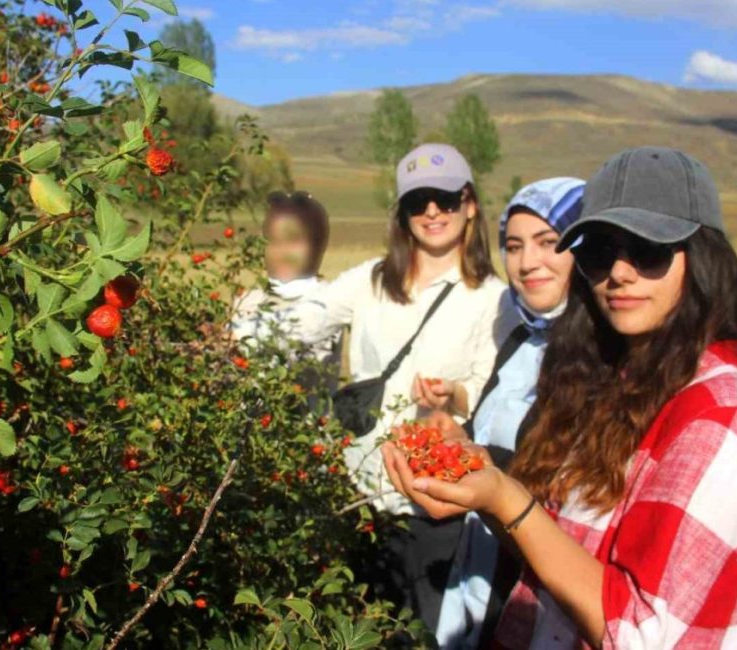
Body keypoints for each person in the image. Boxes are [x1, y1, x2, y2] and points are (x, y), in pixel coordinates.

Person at [383, 147, 737, 648]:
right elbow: (561, 559)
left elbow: (639, 635)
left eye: (648, 249)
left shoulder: (719, 417)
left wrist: (507, 498)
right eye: (599, 252)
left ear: (704, 259)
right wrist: (484, 486)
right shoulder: (619, 382)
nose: (619, 272)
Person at [264, 143, 513, 631]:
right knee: (350, 629)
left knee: (420, 634)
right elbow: (304, 325)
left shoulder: (493, 300)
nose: (433, 212)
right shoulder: (372, 280)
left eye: (445, 198)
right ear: (403, 212)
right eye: (418, 201)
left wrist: (454, 395)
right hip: (357, 492)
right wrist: (249, 320)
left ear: (470, 203)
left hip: (433, 504)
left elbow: (492, 390)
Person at [434, 177, 586, 649]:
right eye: (515, 246)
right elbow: (490, 435)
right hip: (481, 557)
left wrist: (480, 466)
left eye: (550, 243)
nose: (527, 263)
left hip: (538, 585)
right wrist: (451, 439)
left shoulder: (599, 359)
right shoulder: (520, 339)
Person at [230, 191, 341, 398]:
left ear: (318, 245)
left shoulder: (329, 300)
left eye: (294, 242)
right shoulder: (246, 301)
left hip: (304, 428)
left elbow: (296, 347)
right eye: (274, 241)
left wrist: (235, 340)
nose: (282, 252)